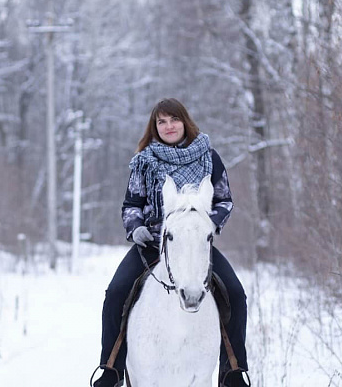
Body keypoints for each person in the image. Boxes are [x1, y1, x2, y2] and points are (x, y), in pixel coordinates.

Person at [92, 98, 249, 387]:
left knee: (236, 294)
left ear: (184, 121)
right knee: (115, 293)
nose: (168, 126)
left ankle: (233, 371)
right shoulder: (144, 161)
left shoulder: (209, 157)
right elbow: (131, 204)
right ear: (155, 127)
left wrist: (209, 223)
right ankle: (110, 369)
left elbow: (225, 199)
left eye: (173, 120)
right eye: (161, 122)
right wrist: (136, 227)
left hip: (196, 243)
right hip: (152, 244)